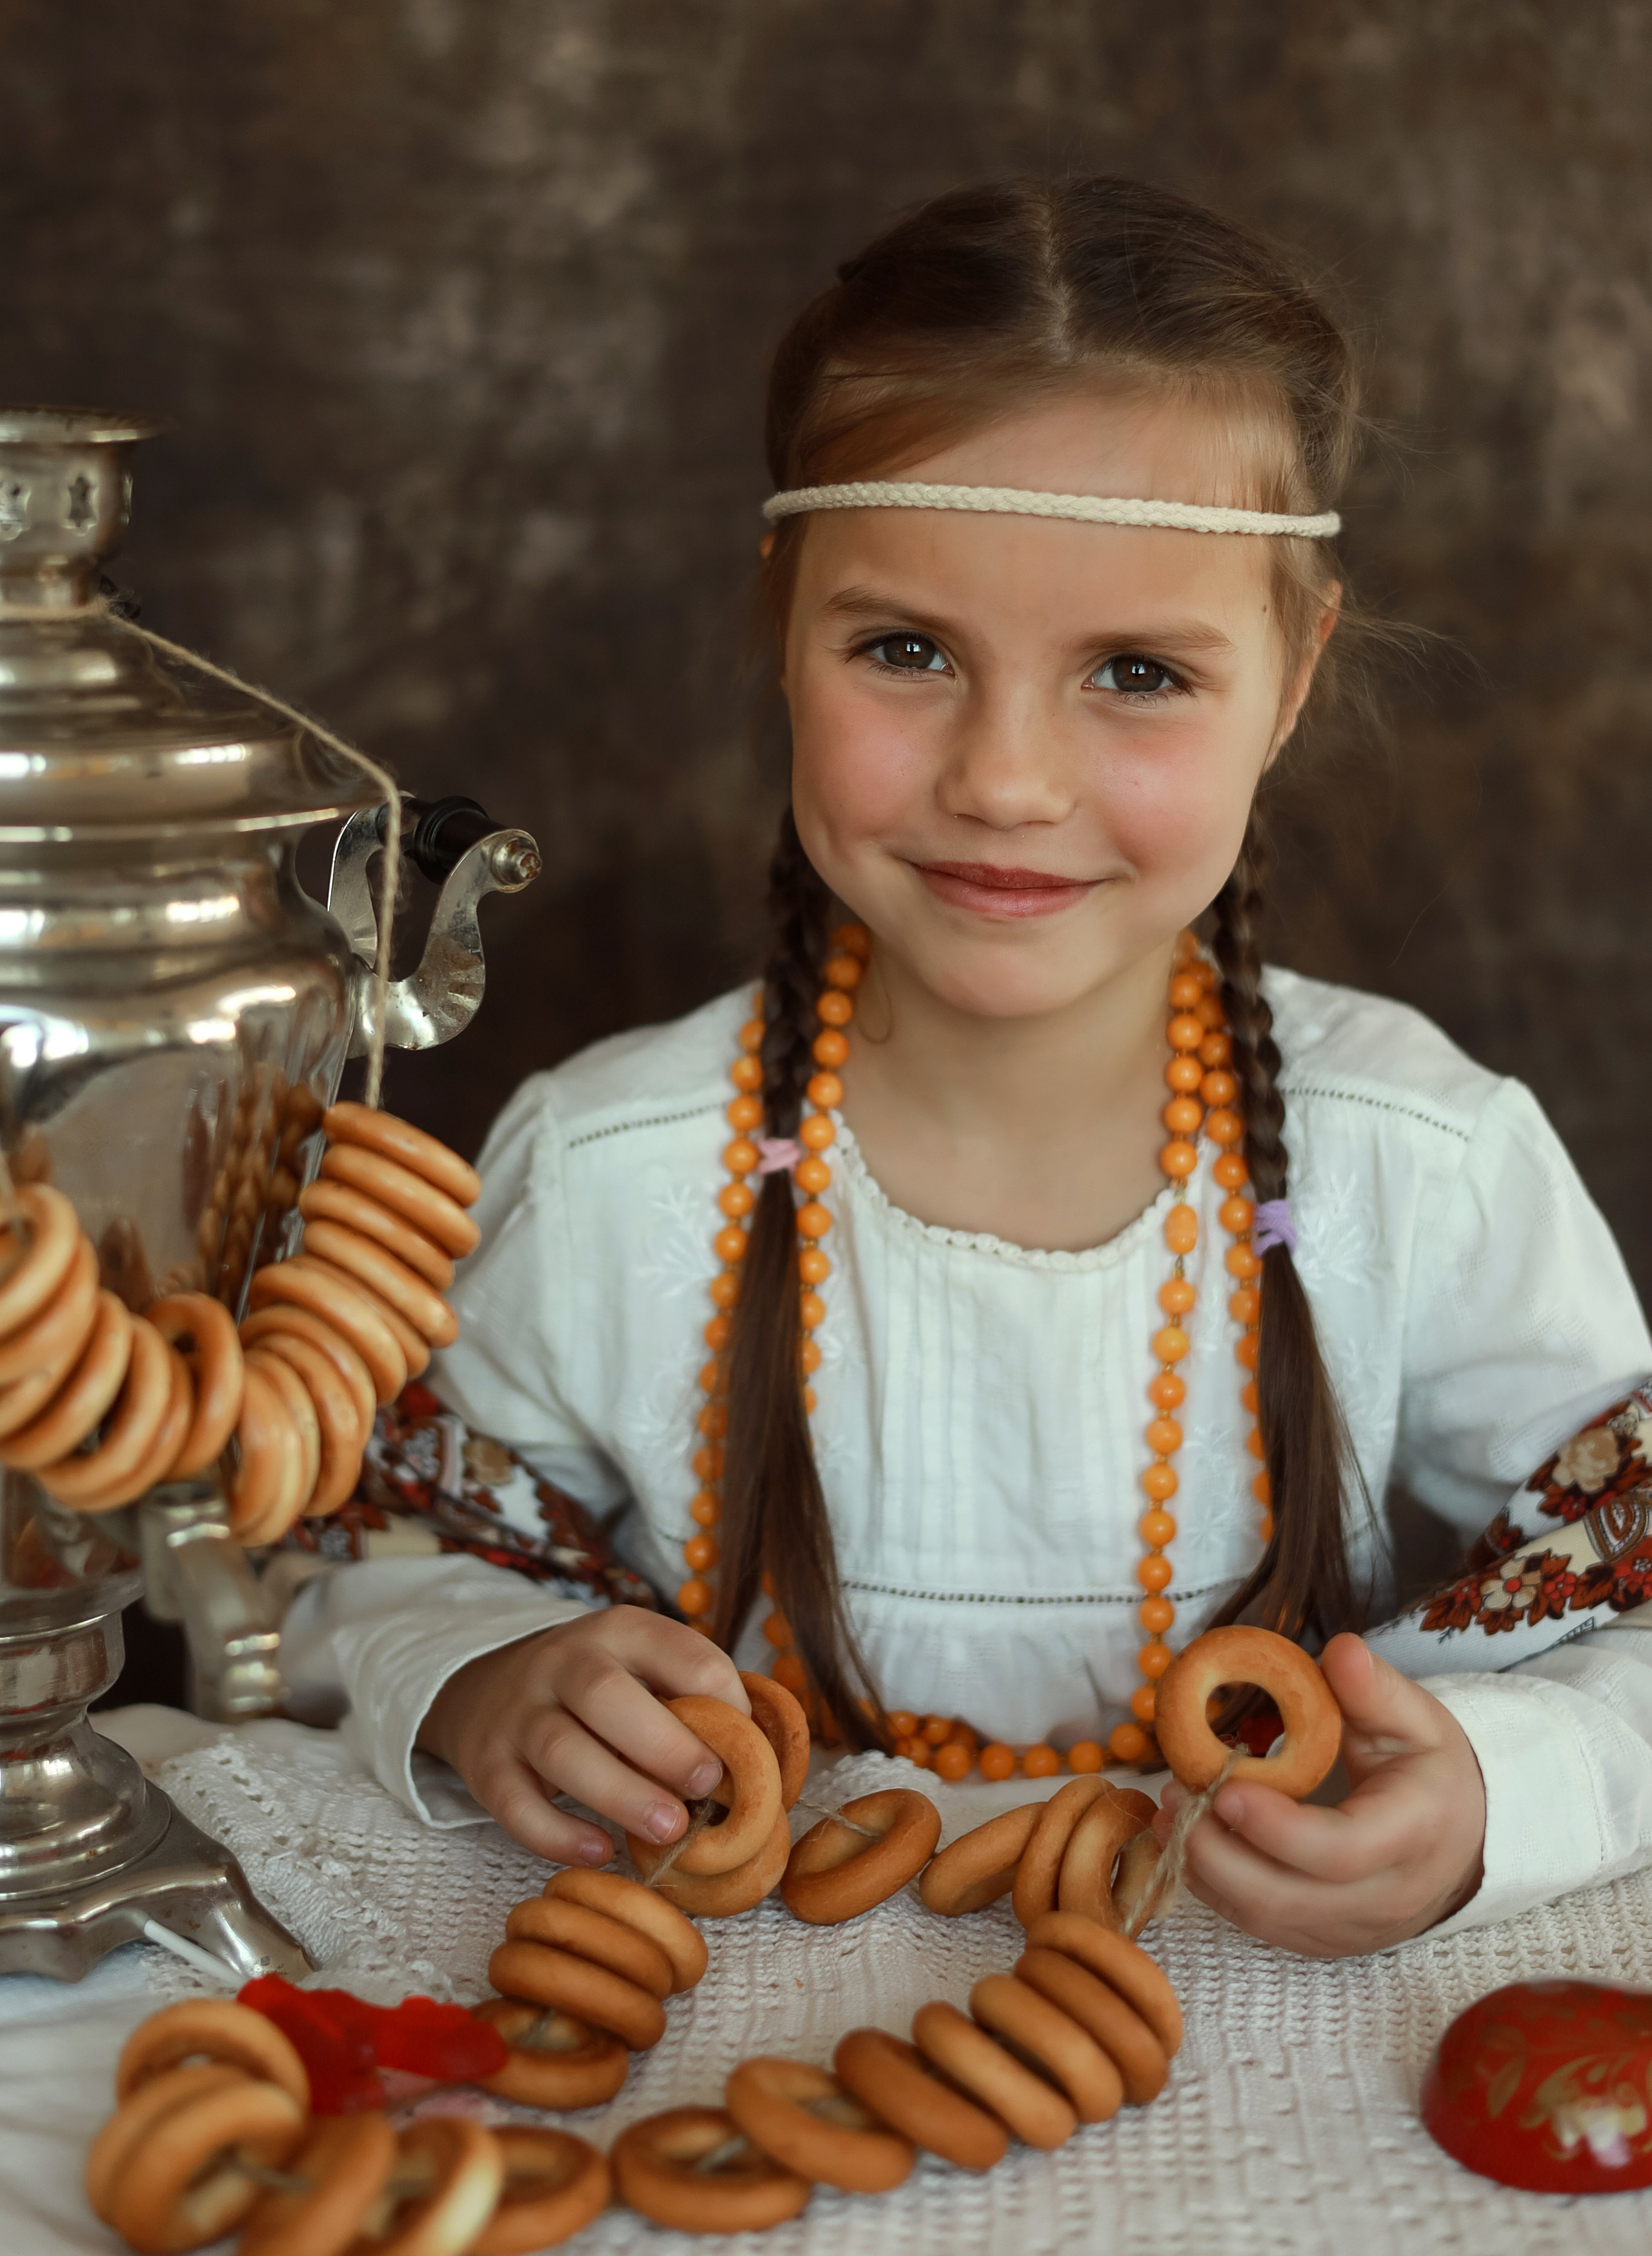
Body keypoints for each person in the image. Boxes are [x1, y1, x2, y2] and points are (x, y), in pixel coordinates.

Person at [283, 177, 1652, 1958]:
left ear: (1295, 676)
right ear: (783, 620)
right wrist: (484, 1673)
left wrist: (1504, 1782)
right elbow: (372, 1568)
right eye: (908, 650)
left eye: (1139, 672)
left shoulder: (1428, 1168)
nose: (1007, 778)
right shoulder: (618, 1166)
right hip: (725, 2035)